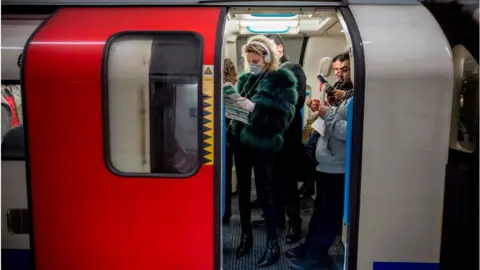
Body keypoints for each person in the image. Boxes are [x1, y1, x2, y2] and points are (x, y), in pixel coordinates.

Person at [227, 35, 298, 268]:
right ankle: (245, 236)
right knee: (244, 194)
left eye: (256, 60)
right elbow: (238, 113)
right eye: (249, 61)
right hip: (242, 144)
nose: (253, 65)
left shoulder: (282, 82)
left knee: (266, 195)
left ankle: (272, 244)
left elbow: (281, 122)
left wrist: (253, 108)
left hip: (264, 146)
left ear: (268, 58)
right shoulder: (246, 79)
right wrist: (233, 106)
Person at [288, 52, 353, 270]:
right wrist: (324, 109)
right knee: (319, 211)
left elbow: (350, 131)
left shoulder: (360, 97)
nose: (340, 74)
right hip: (326, 162)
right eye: (337, 70)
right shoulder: (344, 93)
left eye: (345, 69)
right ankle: (310, 246)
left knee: (330, 214)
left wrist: (327, 114)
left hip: (339, 164)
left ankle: (318, 257)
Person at [250, 33, 306, 244]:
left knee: (288, 182)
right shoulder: (265, 72)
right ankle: (277, 219)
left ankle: (294, 224)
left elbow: (298, 101)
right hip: (269, 136)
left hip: (287, 137)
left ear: (280, 49)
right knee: (272, 181)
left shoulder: (292, 69)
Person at [223, 58, 238, 225]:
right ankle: (225, 211)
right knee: (225, 175)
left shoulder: (212, 88)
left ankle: (224, 211)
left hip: (221, 140)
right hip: (228, 139)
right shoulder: (231, 90)